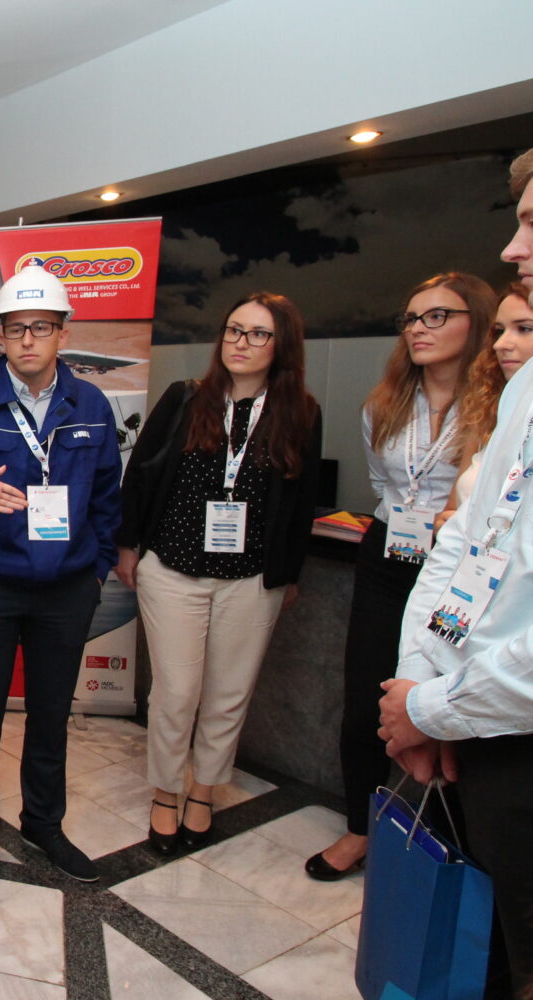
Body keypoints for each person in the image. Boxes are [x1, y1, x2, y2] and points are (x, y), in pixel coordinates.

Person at [378, 147, 533, 1000]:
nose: (512, 248)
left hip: (505, 718)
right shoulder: (526, 396)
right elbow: (468, 547)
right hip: (480, 725)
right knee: (486, 949)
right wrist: (421, 684)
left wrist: (431, 707)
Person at [0, 263, 123, 887]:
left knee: (50, 714)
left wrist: (95, 572)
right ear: (1, 336)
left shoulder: (92, 405)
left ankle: (43, 822)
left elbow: (107, 498)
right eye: (16, 329)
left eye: (41, 327)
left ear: (63, 332)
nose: (28, 339)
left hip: (67, 588)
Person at [113, 293, 322, 854]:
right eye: (233, 330)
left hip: (250, 579)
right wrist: (128, 545)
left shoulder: (302, 413)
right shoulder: (186, 398)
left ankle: (203, 791)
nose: (240, 342)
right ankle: (165, 792)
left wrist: (288, 573)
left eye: (258, 334)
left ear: (282, 346)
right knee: (176, 691)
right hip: (173, 569)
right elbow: (140, 476)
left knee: (229, 693)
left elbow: (302, 502)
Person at [306, 271, 496, 881]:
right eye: (412, 318)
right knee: (367, 698)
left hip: (463, 569)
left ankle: (449, 844)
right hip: (389, 556)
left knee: (451, 703)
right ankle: (360, 830)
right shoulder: (383, 404)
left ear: (478, 323)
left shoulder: (500, 407)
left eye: (437, 316)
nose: (419, 328)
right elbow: (385, 485)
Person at [437, 283, 533, 529]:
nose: (501, 344)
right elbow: (452, 511)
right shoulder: (487, 411)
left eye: (524, 328)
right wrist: (449, 524)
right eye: (499, 331)